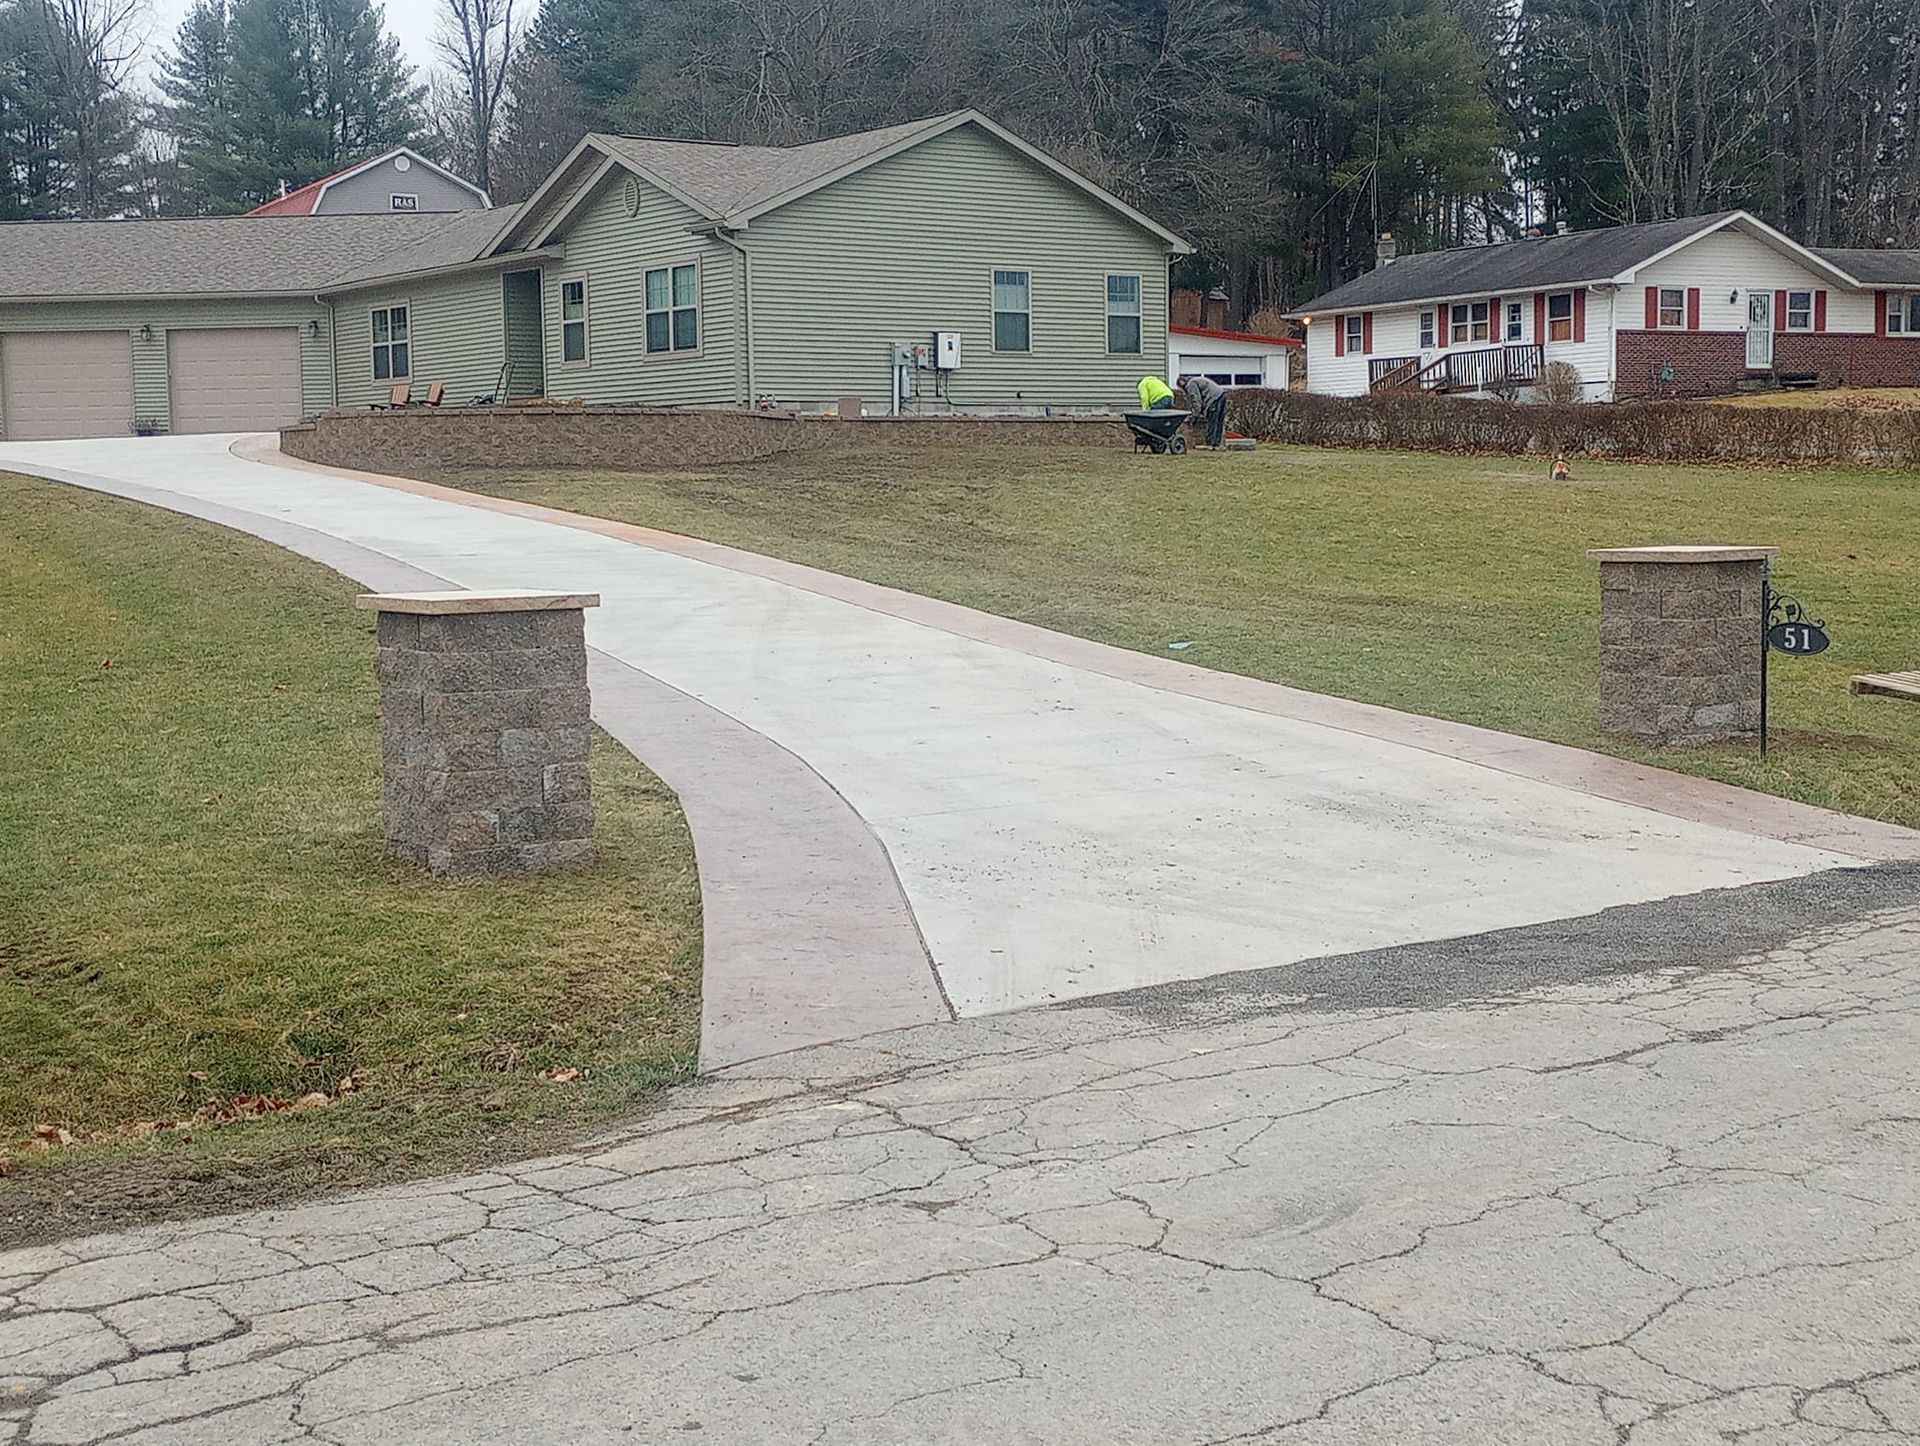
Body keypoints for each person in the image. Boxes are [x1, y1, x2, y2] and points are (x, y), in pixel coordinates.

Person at [1180, 374, 1229, 448]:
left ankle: (1210, 443)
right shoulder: (1195, 379)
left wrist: (1195, 415)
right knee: (1219, 421)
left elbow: (1197, 400)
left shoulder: (1190, 384)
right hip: (1222, 394)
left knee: (1212, 421)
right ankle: (1217, 444)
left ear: (1182, 383)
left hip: (1213, 398)